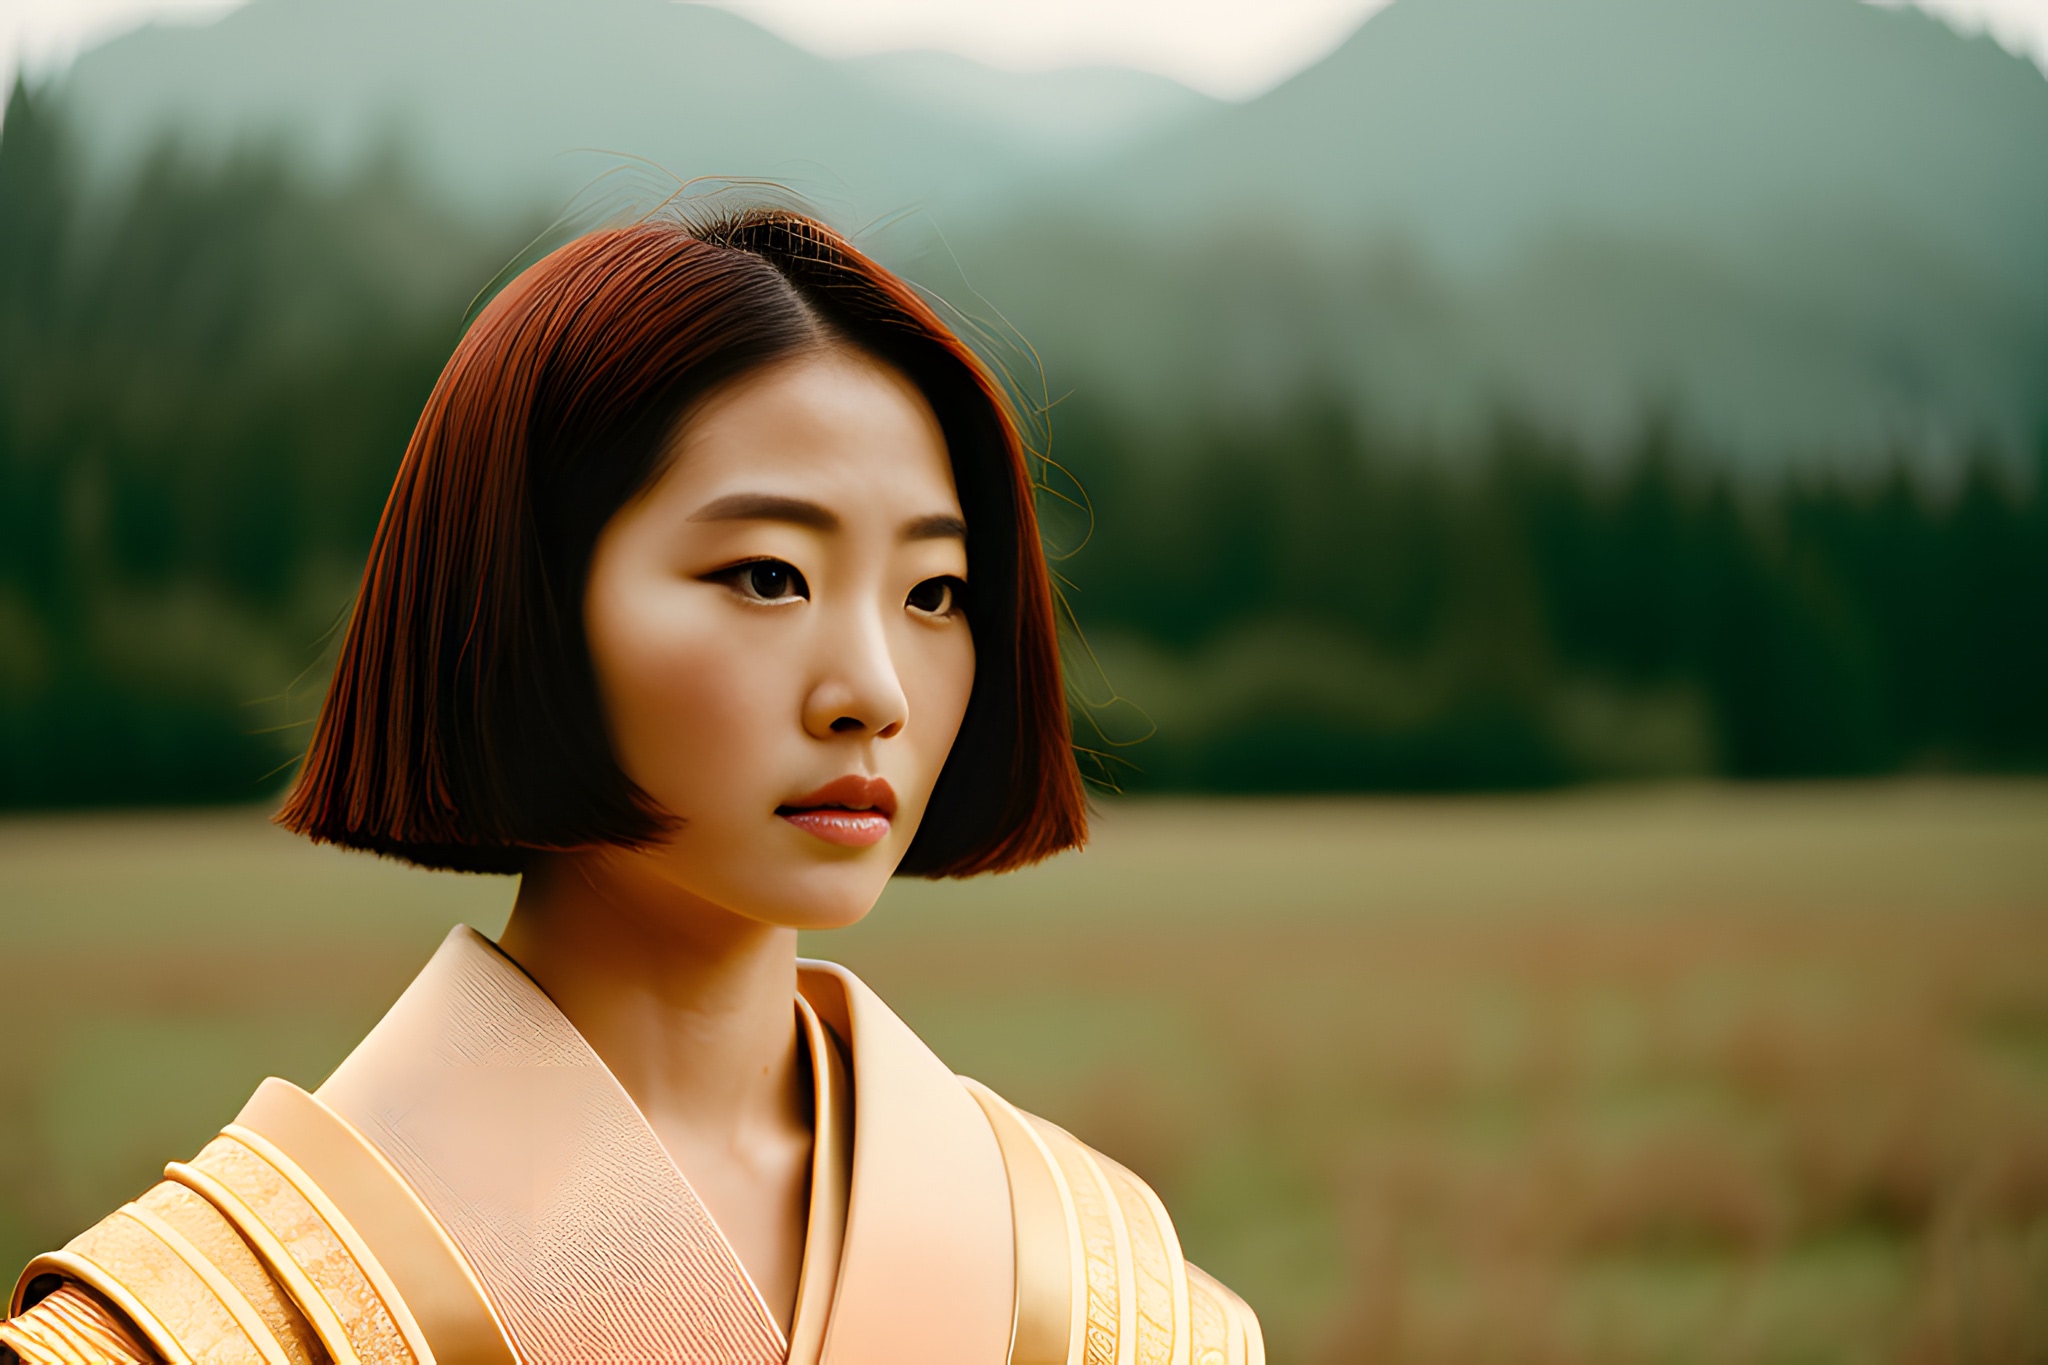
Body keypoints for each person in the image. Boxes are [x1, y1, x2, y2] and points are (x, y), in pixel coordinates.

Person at [0, 210, 1262, 1365]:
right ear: (527, 603)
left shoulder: (1102, 1288)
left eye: (933, 593)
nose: (875, 689)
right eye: (768, 576)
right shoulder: (201, 1324)